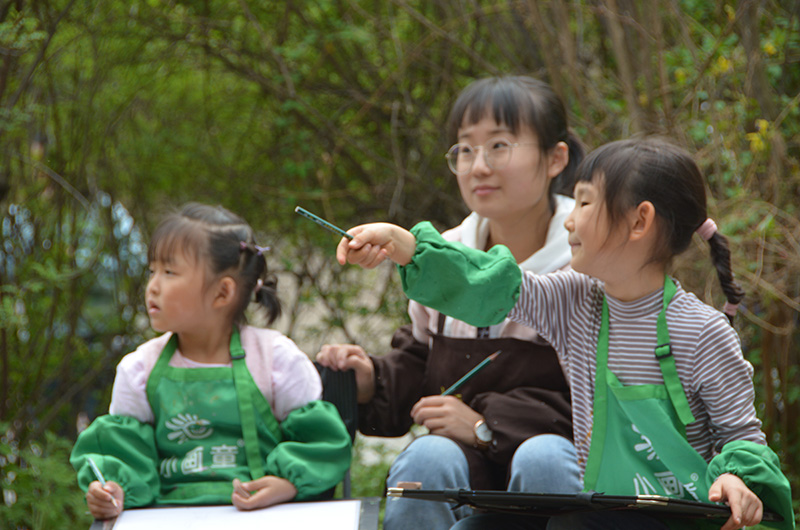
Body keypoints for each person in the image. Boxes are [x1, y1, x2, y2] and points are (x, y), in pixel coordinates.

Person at [334, 138, 794, 530]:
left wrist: (736, 480)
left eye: (587, 202)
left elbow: (742, 438)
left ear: (640, 221)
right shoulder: (574, 302)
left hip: (683, 518)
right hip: (600, 512)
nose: (570, 220)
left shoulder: (704, 331)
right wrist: (408, 247)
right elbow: (494, 283)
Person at [316, 75, 584, 530]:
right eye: (464, 148)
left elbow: (603, 399)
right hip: (462, 468)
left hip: (557, 461)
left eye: (499, 146)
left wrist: (486, 428)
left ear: (555, 157)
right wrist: (371, 380)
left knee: (545, 457)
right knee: (427, 460)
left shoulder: (588, 260)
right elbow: (424, 365)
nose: (478, 166)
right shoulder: (446, 252)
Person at [70, 203, 352, 520]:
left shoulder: (275, 360)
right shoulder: (140, 369)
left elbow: (320, 444)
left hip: (267, 517)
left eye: (169, 272)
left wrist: (287, 484)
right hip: (165, 520)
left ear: (222, 293)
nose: (153, 286)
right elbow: (125, 457)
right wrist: (115, 491)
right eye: (152, 271)